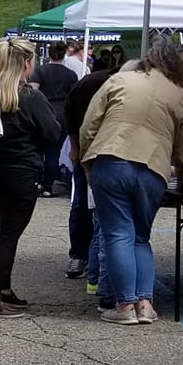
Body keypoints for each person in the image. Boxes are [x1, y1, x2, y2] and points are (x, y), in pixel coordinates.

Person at [79, 39, 183, 326]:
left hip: (112, 159)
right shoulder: (179, 94)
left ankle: (124, 305)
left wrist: (87, 161)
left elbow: (89, 125)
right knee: (141, 237)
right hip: (154, 169)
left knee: (119, 234)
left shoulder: (120, 80)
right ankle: (145, 304)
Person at [0, 36, 61, 316]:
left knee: (6, 228)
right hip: (22, 171)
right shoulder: (30, 96)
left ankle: (3, 289)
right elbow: (52, 133)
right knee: (8, 234)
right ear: (26, 63)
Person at [64, 45, 124, 287]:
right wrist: (75, 145)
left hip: (107, 152)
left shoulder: (119, 86)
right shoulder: (92, 83)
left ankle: (91, 258)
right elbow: (71, 112)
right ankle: (79, 255)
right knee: (83, 203)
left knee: (96, 207)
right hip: (91, 152)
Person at [31, 47, 78, 195]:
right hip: (63, 114)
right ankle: (48, 185)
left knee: (38, 149)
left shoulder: (40, 71)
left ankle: (36, 181)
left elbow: (33, 90)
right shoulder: (71, 74)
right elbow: (74, 96)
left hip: (43, 112)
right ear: (64, 54)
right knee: (54, 151)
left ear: (49, 55)